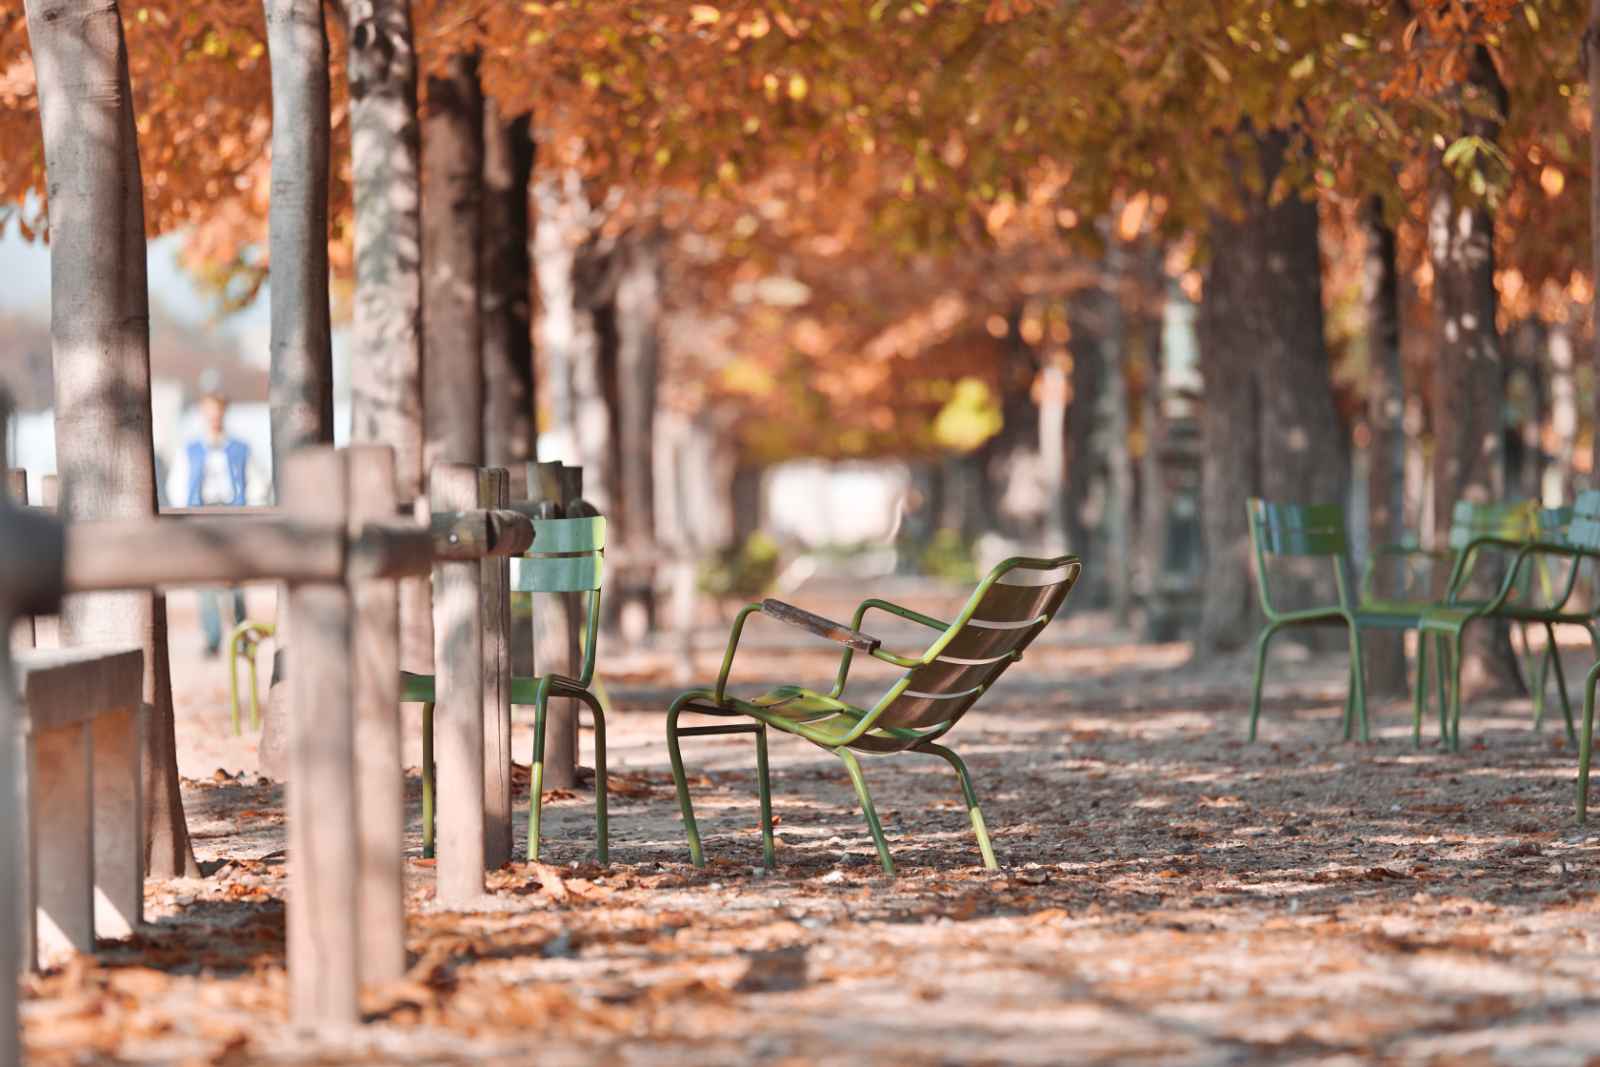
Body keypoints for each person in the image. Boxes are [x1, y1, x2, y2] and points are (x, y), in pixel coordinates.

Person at [165, 380, 269, 656]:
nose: (214, 417)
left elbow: (256, 483)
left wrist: (250, 512)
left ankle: (243, 635)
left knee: (235, 578)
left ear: (224, 412)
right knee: (205, 582)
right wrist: (185, 515)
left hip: (232, 515)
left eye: (218, 411)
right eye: (209, 411)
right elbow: (177, 486)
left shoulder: (240, 448)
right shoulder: (190, 450)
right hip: (201, 517)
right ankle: (212, 639)